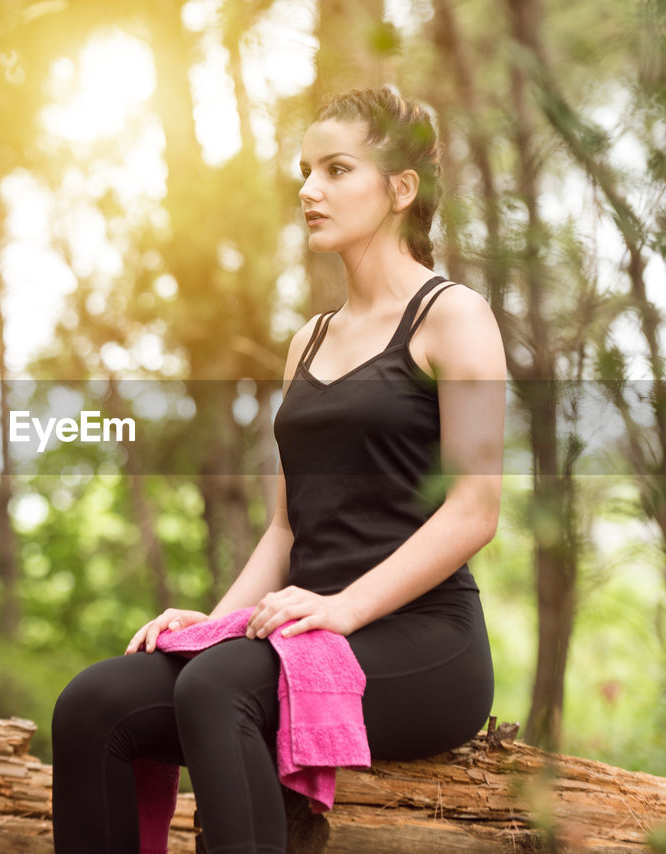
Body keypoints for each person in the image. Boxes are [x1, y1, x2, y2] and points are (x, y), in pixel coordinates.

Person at [51, 85, 507, 854]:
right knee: (94, 701)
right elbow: (285, 531)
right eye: (305, 170)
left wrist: (344, 610)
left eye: (336, 169)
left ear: (401, 189)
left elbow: (474, 511)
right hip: (296, 629)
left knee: (221, 685)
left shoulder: (453, 316)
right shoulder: (310, 341)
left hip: (424, 643)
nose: (309, 190)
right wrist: (215, 621)